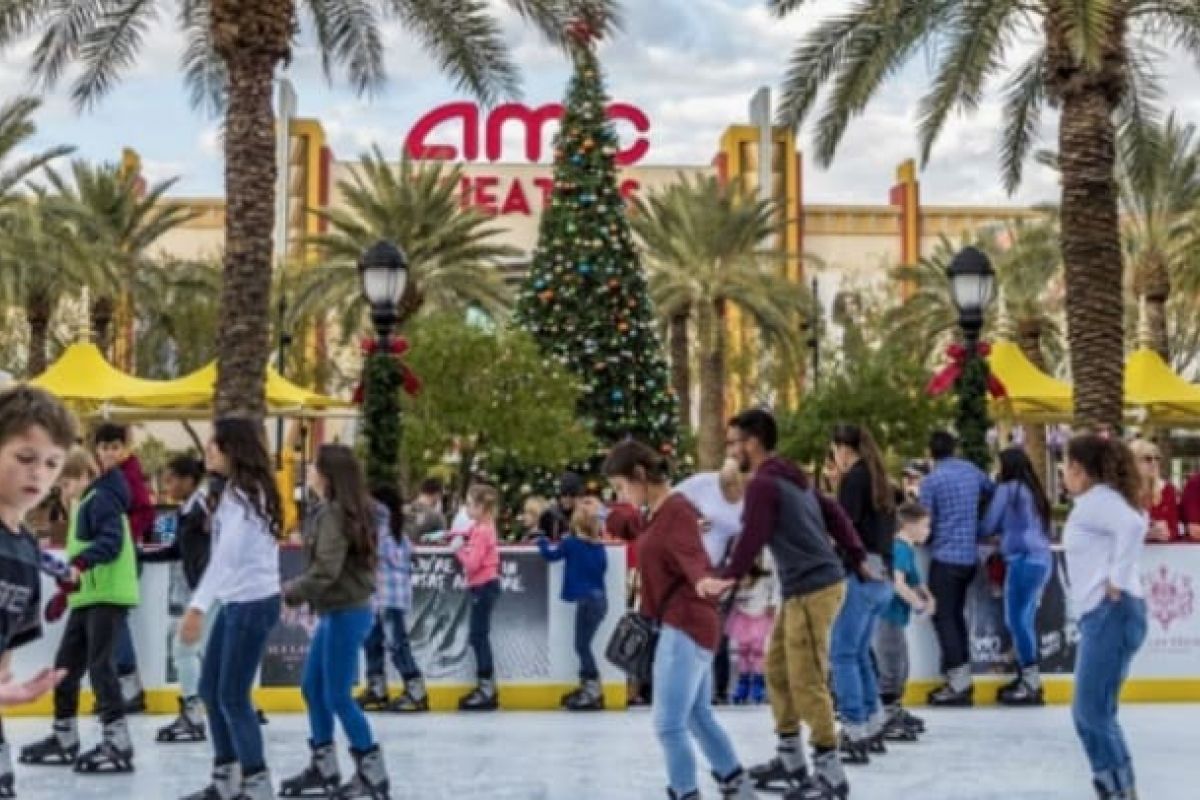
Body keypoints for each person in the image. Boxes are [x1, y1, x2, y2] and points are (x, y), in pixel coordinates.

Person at [714, 409, 867, 800]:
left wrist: (729, 575)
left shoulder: (767, 482)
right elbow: (832, 510)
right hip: (803, 588)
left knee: (806, 677)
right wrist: (854, 551)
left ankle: (831, 774)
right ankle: (791, 759)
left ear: (752, 443)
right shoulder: (788, 474)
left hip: (815, 588)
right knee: (778, 669)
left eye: (733, 443)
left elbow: (753, 535)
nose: (730, 451)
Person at [602, 440, 758, 800]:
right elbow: (627, 523)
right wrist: (602, 512)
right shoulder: (654, 512)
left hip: (684, 625)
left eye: (623, 487)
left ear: (641, 476)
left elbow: (692, 558)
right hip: (692, 625)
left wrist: (704, 580)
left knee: (669, 725)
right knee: (698, 716)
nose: (622, 496)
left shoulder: (677, 513)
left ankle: (685, 793)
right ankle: (738, 786)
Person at [178, 419, 283, 800]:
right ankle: (226, 779)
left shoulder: (246, 496)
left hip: (253, 603)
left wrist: (197, 608)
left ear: (232, 450)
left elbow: (225, 558)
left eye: (214, 445)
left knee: (233, 696)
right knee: (210, 688)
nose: (207, 450)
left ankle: (256, 785)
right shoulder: (234, 492)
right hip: (239, 602)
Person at [20, 447, 139, 774]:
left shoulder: (101, 500)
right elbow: (84, 555)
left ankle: (118, 741)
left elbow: (110, 543)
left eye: (68, 483)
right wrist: (67, 590)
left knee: (101, 667)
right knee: (65, 668)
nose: (65, 491)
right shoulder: (86, 503)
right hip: (90, 597)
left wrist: (80, 565)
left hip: (108, 597)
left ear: (86, 476)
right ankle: (65, 736)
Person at [280, 444, 389, 799]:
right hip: (338, 611)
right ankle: (324, 765)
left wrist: (290, 591)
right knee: (314, 688)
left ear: (328, 475)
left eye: (314, 466)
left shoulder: (334, 514)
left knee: (338, 695)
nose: (309, 472)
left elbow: (326, 569)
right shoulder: (338, 511)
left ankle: (373, 773)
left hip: (347, 611)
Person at [1061, 434, 1148, 800]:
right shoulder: (1098, 502)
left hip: (1110, 614)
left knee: (1090, 714)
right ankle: (1116, 789)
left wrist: (1115, 579)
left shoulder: (1099, 502)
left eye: (1065, 466)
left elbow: (1133, 526)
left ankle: (1118, 792)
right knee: (1096, 714)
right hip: (1108, 615)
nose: (1064, 473)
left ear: (1079, 470)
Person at [0, 387, 75, 795]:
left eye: (52, 464)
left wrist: (6, 689)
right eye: (25, 459)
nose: (39, 474)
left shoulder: (28, 552)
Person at [828, 424, 896, 764]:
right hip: (881, 575)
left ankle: (854, 727)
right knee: (857, 654)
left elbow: (844, 530)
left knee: (842, 654)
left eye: (834, 451)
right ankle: (872, 721)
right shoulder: (878, 477)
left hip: (861, 574)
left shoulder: (854, 480)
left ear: (843, 448)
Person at [140, 455, 213, 743]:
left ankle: (197, 713)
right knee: (191, 650)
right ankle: (198, 710)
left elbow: (209, 549)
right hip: (204, 590)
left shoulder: (202, 508)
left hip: (210, 591)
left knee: (185, 648)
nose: (166, 486)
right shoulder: (187, 510)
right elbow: (176, 549)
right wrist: (139, 553)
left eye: (171, 479)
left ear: (188, 480)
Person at [918, 430, 994, 706]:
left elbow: (923, 523)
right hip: (969, 557)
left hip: (945, 557)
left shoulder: (931, 481)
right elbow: (992, 492)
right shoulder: (971, 470)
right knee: (956, 616)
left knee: (943, 617)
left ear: (931, 452)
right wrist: (980, 524)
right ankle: (961, 677)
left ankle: (959, 682)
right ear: (954, 448)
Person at [981, 447, 1054, 706]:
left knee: (1016, 621)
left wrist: (983, 533)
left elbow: (990, 522)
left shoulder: (1009, 488)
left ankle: (1031, 681)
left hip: (1023, 561)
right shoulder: (1033, 490)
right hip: (1042, 559)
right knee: (1025, 620)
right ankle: (1027, 676)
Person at [674, 457, 746, 704]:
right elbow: (671, 501)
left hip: (723, 569)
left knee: (717, 629)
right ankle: (691, 686)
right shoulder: (703, 484)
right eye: (725, 489)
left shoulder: (749, 500)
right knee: (691, 627)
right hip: (693, 567)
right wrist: (691, 522)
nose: (729, 494)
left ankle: (719, 687)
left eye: (734, 489)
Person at [93, 423, 153, 715]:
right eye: (104, 447)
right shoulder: (104, 475)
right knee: (109, 620)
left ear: (125, 447)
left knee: (115, 619)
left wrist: (122, 534)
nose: (109, 453)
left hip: (125, 556)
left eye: (115, 447)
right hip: (110, 554)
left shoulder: (129, 475)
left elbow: (145, 511)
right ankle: (118, 689)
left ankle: (131, 689)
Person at [357, 483, 427, 714]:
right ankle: (377, 688)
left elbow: (399, 559)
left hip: (391, 599)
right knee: (372, 641)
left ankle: (416, 690)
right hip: (376, 598)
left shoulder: (387, 533)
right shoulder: (385, 532)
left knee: (397, 644)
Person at [537, 504, 609, 711]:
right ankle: (587, 685)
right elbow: (602, 569)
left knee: (582, 646)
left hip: (586, 601)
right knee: (582, 645)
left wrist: (542, 541)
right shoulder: (599, 547)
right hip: (599, 600)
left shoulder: (570, 544)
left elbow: (551, 556)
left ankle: (593, 688)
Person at [873, 502, 933, 742]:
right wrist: (917, 604)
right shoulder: (898, 548)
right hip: (886, 616)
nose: (928, 531)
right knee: (891, 666)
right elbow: (897, 583)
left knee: (901, 664)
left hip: (896, 617)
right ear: (909, 525)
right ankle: (885, 717)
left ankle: (893, 710)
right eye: (925, 526)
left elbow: (916, 580)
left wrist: (929, 597)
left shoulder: (907, 549)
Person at [453, 484, 502, 711]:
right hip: (483, 586)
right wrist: (453, 536)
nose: (467, 508)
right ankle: (486, 686)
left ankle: (487, 688)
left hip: (483, 586)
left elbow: (472, 564)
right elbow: (467, 534)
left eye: (470, 504)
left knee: (478, 636)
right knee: (478, 635)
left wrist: (458, 551)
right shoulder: (481, 527)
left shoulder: (483, 530)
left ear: (481, 507)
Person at [726, 554, 775, 706]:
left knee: (758, 651)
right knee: (743, 650)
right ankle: (744, 680)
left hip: (760, 617)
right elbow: (727, 592)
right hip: (743, 618)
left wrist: (772, 603)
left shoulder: (765, 578)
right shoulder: (736, 580)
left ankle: (758, 681)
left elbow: (774, 587)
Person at [1129, 440, 1180, 543]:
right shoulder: (1120, 491)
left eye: (1157, 458)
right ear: (1132, 462)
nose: (1154, 463)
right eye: (1148, 459)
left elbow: (1174, 531)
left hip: (1160, 553)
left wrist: (1166, 533)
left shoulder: (1167, 489)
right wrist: (1146, 534)